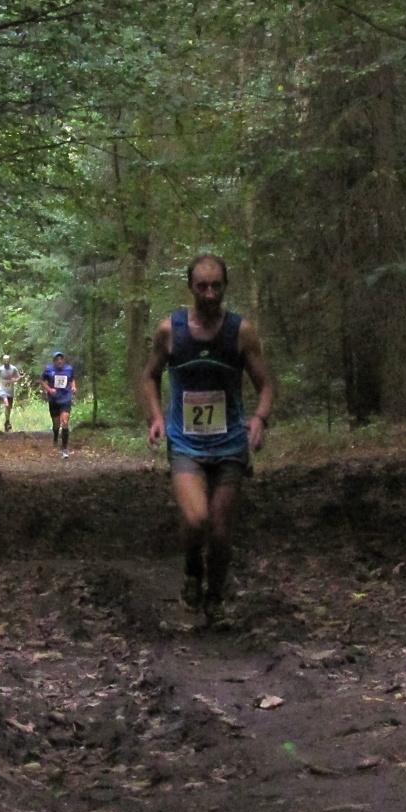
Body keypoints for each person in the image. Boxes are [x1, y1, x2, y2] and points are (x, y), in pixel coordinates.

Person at [139, 253, 274, 623]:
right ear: (191, 287)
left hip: (229, 443)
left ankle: (214, 597)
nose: (210, 293)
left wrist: (259, 419)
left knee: (220, 528)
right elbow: (149, 375)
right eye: (202, 286)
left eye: (216, 286)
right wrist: (156, 417)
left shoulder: (241, 332)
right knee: (197, 519)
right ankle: (191, 571)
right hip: (186, 442)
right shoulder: (170, 331)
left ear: (225, 286)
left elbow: (265, 384)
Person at [41, 351, 77, 459]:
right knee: (56, 424)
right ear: (54, 361)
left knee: (65, 422)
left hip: (66, 399)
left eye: (61, 359)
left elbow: (72, 379)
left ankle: (64, 448)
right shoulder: (48, 369)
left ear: (63, 360)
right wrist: (49, 389)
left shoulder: (69, 369)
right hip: (54, 400)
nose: (59, 361)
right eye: (57, 359)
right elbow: (43, 381)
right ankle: (56, 436)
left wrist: (73, 387)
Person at [0, 354, 21, 431]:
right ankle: (7, 423)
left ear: (9, 360)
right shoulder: (0, 369)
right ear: (2, 361)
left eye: (7, 360)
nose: (6, 361)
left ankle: (7, 421)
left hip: (10, 390)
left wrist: (15, 380)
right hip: (3, 389)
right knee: (7, 404)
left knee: (9, 407)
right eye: (4, 360)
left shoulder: (13, 368)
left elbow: (19, 377)